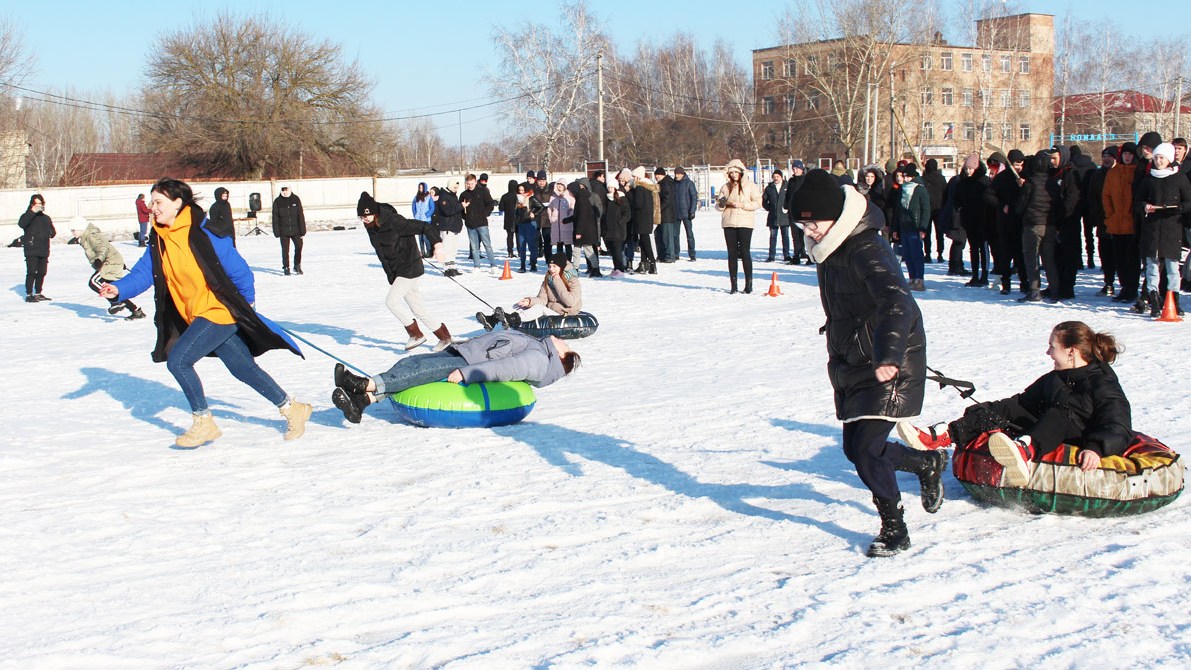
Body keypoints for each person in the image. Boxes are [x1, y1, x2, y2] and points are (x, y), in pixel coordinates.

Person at [788, 168, 942, 558]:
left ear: (837, 215)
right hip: (856, 356)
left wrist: (888, 355)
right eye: (802, 223)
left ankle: (895, 528)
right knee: (855, 451)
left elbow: (897, 301)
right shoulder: (830, 245)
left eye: (815, 222)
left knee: (869, 450)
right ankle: (925, 463)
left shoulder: (864, 246)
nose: (810, 230)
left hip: (890, 356)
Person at [100, 178, 311, 448]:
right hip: (196, 315)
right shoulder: (160, 239)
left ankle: (203, 421)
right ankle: (293, 408)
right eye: (151, 202)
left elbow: (240, 270)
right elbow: (143, 273)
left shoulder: (203, 232)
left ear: (178, 203)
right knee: (242, 368)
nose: (152, 207)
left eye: (158, 202)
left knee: (178, 361)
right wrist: (118, 290)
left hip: (220, 311)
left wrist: (246, 306)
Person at [899, 321, 1131, 488]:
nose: (1048, 352)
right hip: (1048, 430)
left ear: (1071, 351)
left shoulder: (1102, 383)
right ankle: (942, 435)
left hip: (1079, 436)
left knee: (1057, 416)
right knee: (999, 409)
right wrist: (985, 413)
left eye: (1053, 347)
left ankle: (1024, 451)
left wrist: (1096, 448)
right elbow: (1021, 404)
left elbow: (1117, 423)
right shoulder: (1055, 377)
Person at [331, 330, 581, 424]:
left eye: (565, 345)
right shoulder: (538, 346)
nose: (561, 340)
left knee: (420, 372)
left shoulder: (539, 360)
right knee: (412, 363)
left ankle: (363, 384)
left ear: (561, 356)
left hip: (471, 362)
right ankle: (362, 402)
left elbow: (505, 368)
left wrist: (467, 373)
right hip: (466, 352)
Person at [356, 191, 453, 352]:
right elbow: (383, 254)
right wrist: (391, 276)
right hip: (399, 271)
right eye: (361, 217)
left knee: (391, 302)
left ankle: (416, 334)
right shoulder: (371, 226)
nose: (364, 219)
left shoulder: (394, 221)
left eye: (366, 215)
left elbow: (424, 226)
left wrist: (437, 244)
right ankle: (445, 338)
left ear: (374, 212)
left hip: (409, 268)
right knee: (418, 309)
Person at [1133, 142, 1191, 316]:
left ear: (1169, 159)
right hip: (1151, 228)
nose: (1158, 161)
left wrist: (1179, 208)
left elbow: (1188, 201)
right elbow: (1137, 201)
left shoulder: (1179, 178)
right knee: (1152, 267)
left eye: (1162, 158)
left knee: (1172, 268)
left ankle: (1173, 300)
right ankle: (1154, 299)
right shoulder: (1148, 178)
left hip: (1172, 228)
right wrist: (1145, 206)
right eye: (1156, 158)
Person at [477, 252, 582, 331]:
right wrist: (529, 301)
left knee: (539, 309)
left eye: (555, 266)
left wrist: (558, 281)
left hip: (564, 313)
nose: (551, 269)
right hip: (551, 309)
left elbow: (570, 302)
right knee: (519, 306)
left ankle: (512, 319)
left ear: (562, 267)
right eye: (550, 266)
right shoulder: (548, 279)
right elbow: (542, 299)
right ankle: (492, 320)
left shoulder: (572, 280)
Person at [70, 217, 145, 320]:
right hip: (111, 261)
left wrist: (98, 260)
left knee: (94, 282)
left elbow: (103, 248)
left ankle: (115, 302)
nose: (72, 232)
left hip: (109, 262)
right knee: (114, 289)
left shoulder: (91, 236)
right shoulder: (86, 237)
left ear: (80, 228)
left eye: (73, 230)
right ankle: (136, 310)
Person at [716, 159, 761, 293]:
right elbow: (718, 206)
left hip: (745, 222)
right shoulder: (725, 187)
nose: (734, 175)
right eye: (731, 173)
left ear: (741, 172)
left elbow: (758, 202)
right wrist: (722, 204)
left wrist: (743, 205)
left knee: (745, 252)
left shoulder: (751, 186)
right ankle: (733, 284)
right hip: (729, 222)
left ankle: (748, 283)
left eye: (736, 172)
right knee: (732, 254)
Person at [1103, 142, 1141, 304]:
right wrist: (1110, 214)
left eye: (1130, 154)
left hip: (1132, 225)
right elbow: (1106, 196)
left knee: (1131, 259)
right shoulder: (1113, 172)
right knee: (1119, 259)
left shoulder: (1138, 172)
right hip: (1116, 223)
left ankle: (1132, 289)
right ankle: (1124, 287)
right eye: (1124, 154)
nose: (1127, 157)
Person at [891, 164, 929, 291]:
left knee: (916, 253)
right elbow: (898, 210)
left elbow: (926, 210)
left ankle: (920, 279)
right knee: (907, 254)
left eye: (907, 177)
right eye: (904, 176)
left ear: (913, 176)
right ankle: (912, 278)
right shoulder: (902, 189)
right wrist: (895, 229)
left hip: (915, 227)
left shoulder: (920, 189)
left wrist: (923, 228)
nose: (905, 179)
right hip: (903, 226)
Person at [18, 194, 56, 303]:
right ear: (32, 204)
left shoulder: (46, 218)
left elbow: (52, 232)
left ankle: (38, 292)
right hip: (31, 249)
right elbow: (22, 224)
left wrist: (50, 233)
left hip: (44, 249)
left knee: (42, 272)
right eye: (36, 204)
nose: (38, 206)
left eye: (40, 203)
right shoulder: (27, 216)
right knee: (31, 272)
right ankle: (29, 294)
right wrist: (32, 212)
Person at [460, 173, 498, 274]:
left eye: (472, 183)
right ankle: (476, 266)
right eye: (468, 184)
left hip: (482, 223)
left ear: (475, 182)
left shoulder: (483, 192)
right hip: (470, 224)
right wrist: (465, 217)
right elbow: (460, 209)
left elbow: (490, 204)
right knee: (474, 246)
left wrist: (485, 214)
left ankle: (493, 265)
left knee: (487, 244)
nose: (470, 185)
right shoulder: (464, 195)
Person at [432, 181, 464, 277]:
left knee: (453, 250)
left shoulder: (453, 195)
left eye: (457, 187)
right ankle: (446, 269)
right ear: (450, 186)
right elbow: (447, 211)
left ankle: (452, 267)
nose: (456, 189)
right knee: (447, 250)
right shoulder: (444, 197)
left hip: (454, 227)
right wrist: (461, 206)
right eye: (454, 187)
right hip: (447, 227)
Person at [271, 186, 306, 275]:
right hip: (283, 231)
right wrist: (276, 231)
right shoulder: (277, 201)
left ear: (290, 189)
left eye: (286, 189)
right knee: (285, 250)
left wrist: (302, 230)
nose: (285, 191)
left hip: (296, 230)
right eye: (283, 189)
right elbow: (275, 218)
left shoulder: (296, 199)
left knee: (299, 246)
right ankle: (286, 267)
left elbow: (300, 215)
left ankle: (297, 265)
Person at [921, 159, 948, 262]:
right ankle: (940, 254)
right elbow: (945, 192)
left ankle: (927, 254)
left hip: (926, 209)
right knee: (939, 233)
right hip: (939, 209)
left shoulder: (923, 178)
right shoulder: (941, 178)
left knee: (926, 234)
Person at [762, 169, 791, 263]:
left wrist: (787, 208)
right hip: (773, 216)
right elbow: (764, 201)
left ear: (781, 177)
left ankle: (786, 255)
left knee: (785, 236)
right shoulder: (769, 188)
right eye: (774, 177)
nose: (776, 178)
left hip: (784, 215)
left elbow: (790, 198)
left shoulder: (787, 186)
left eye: (777, 176)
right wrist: (769, 208)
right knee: (773, 236)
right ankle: (771, 256)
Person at [673, 166, 699, 261]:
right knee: (675, 235)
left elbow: (694, 198)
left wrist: (692, 211)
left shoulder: (689, 183)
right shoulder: (673, 184)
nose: (677, 176)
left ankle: (692, 254)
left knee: (689, 234)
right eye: (676, 174)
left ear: (682, 174)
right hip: (676, 213)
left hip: (687, 214)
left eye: (679, 174)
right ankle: (676, 254)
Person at [547, 180, 575, 260]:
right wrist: (551, 218)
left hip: (566, 224)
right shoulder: (553, 196)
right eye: (558, 184)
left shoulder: (569, 196)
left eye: (561, 185)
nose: (559, 186)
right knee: (559, 244)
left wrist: (568, 218)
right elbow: (549, 208)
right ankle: (560, 260)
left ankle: (569, 261)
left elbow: (572, 208)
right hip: (556, 224)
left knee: (567, 244)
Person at [654, 166, 678, 262]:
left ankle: (670, 256)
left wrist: (659, 209)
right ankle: (662, 255)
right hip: (662, 215)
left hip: (667, 215)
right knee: (659, 235)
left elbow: (667, 200)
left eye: (658, 175)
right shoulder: (662, 183)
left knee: (667, 236)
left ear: (662, 175)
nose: (656, 177)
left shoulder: (667, 184)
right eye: (656, 175)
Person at [412, 181, 435, 258]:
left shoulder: (428, 197)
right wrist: (415, 214)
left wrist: (427, 214)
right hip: (418, 220)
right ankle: (422, 252)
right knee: (420, 237)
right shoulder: (416, 197)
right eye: (419, 188)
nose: (420, 189)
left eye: (422, 188)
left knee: (425, 237)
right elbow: (413, 206)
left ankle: (429, 251)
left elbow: (432, 207)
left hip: (426, 220)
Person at [498, 179, 520, 258]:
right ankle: (520, 251)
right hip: (518, 218)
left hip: (508, 219)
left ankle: (510, 251)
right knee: (519, 236)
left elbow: (501, 208)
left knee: (509, 236)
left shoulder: (505, 196)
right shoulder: (518, 196)